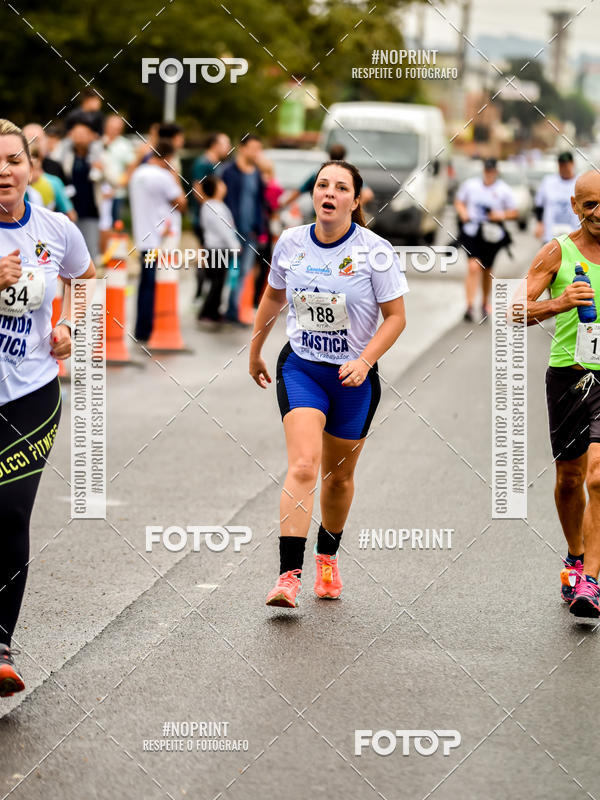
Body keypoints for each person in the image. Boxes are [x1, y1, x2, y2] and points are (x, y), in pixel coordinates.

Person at [249, 160, 408, 608]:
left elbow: (396, 318)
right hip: (302, 368)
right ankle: (287, 577)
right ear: (314, 194)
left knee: (338, 479)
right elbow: (273, 296)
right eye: (322, 185)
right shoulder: (291, 242)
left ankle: (327, 557)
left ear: (355, 201)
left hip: (353, 379)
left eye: (341, 187)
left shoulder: (375, 251)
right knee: (303, 465)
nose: (329, 193)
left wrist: (365, 360)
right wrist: (255, 349)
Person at [0, 119, 96, 696]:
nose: (3, 171)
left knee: (10, 512)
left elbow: (85, 282)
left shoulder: (56, 229)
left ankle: (0, 644)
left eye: (13, 159)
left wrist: (68, 327)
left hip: (31, 394)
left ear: (31, 167)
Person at [524, 169, 600, 618]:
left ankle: (591, 579)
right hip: (569, 378)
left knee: (598, 476)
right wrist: (559, 302)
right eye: (590, 204)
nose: (599, 212)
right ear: (575, 206)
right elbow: (515, 309)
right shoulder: (558, 251)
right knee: (570, 479)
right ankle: (575, 555)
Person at [129, 140, 187, 342]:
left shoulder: (138, 173)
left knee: (145, 284)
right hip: (159, 240)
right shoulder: (163, 177)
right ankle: (147, 330)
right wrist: (175, 176)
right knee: (153, 284)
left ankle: (141, 328)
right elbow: (181, 203)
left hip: (143, 237)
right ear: (168, 158)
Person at [454, 158, 518, 322]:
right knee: (473, 266)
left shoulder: (503, 190)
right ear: (483, 171)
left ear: (496, 172)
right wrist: (463, 212)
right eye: (487, 171)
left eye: (492, 171)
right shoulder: (471, 185)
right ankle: (469, 306)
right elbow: (459, 201)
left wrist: (500, 215)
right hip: (472, 232)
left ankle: (484, 303)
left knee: (486, 270)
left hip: (491, 235)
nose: (489, 174)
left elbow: (514, 212)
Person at [222, 135, 266, 323]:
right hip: (232, 231)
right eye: (253, 148)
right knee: (229, 270)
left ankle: (234, 310)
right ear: (242, 148)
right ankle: (224, 308)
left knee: (244, 272)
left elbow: (260, 202)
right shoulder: (228, 172)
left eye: (259, 149)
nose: (256, 153)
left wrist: (259, 227)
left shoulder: (256, 174)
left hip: (251, 232)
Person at [53, 118, 105, 261]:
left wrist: (102, 169)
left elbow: (114, 179)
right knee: (67, 252)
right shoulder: (64, 153)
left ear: (92, 136)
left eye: (84, 133)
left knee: (90, 251)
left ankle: (89, 276)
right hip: (67, 211)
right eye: (76, 133)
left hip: (91, 210)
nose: (80, 137)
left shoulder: (97, 154)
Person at [189, 132, 232, 301]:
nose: (228, 148)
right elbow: (197, 188)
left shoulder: (218, 164)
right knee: (205, 254)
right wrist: (211, 207)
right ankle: (201, 290)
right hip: (205, 220)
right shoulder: (203, 163)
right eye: (225, 144)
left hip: (214, 218)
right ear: (214, 145)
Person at [198, 175, 239, 325]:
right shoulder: (214, 207)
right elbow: (224, 228)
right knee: (217, 282)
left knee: (218, 281)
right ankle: (208, 312)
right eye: (221, 184)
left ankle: (213, 311)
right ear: (215, 188)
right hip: (217, 249)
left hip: (216, 248)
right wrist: (234, 244)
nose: (224, 186)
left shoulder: (211, 205)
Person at [98, 114, 135, 254]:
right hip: (98, 192)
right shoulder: (98, 142)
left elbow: (130, 169)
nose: (114, 130)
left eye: (117, 127)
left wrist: (117, 187)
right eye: (111, 127)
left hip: (116, 194)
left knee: (115, 226)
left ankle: (112, 256)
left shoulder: (125, 145)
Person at [534, 151, 578, 244]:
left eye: (566, 165)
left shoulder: (579, 182)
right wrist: (539, 223)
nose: (564, 168)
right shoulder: (548, 181)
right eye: (561, 165)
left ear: (572, 164)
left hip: (575, 236)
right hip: (551, 235)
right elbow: (539, 204)